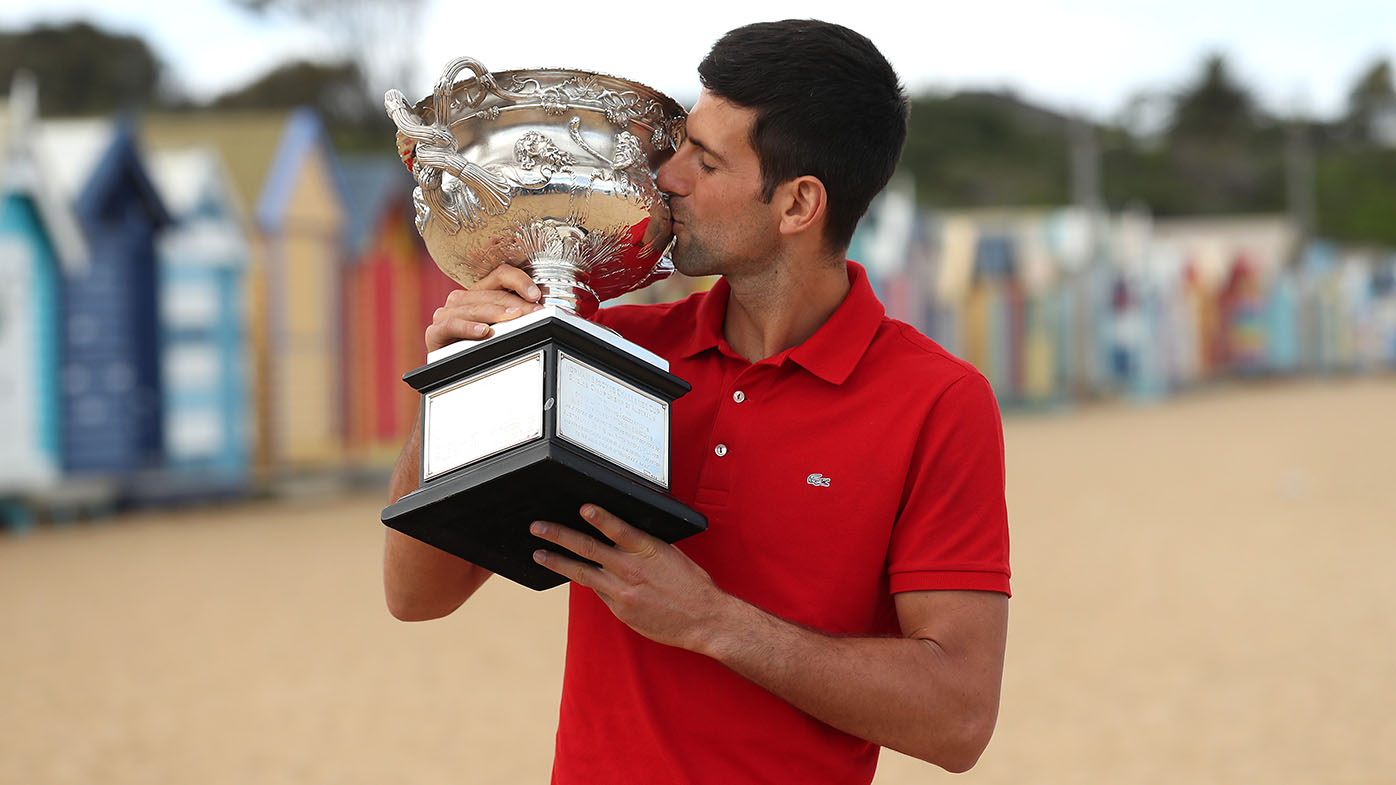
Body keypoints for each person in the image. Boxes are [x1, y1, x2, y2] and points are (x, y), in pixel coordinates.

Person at [384, 19, 1010, 785]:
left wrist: (713, 622)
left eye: (705, 161)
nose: (667, 175)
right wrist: (456, 375)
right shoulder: (611, 347)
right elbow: (415, 594)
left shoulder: (938, 401)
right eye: (679, 144)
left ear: (798, 204)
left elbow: (958, 718)